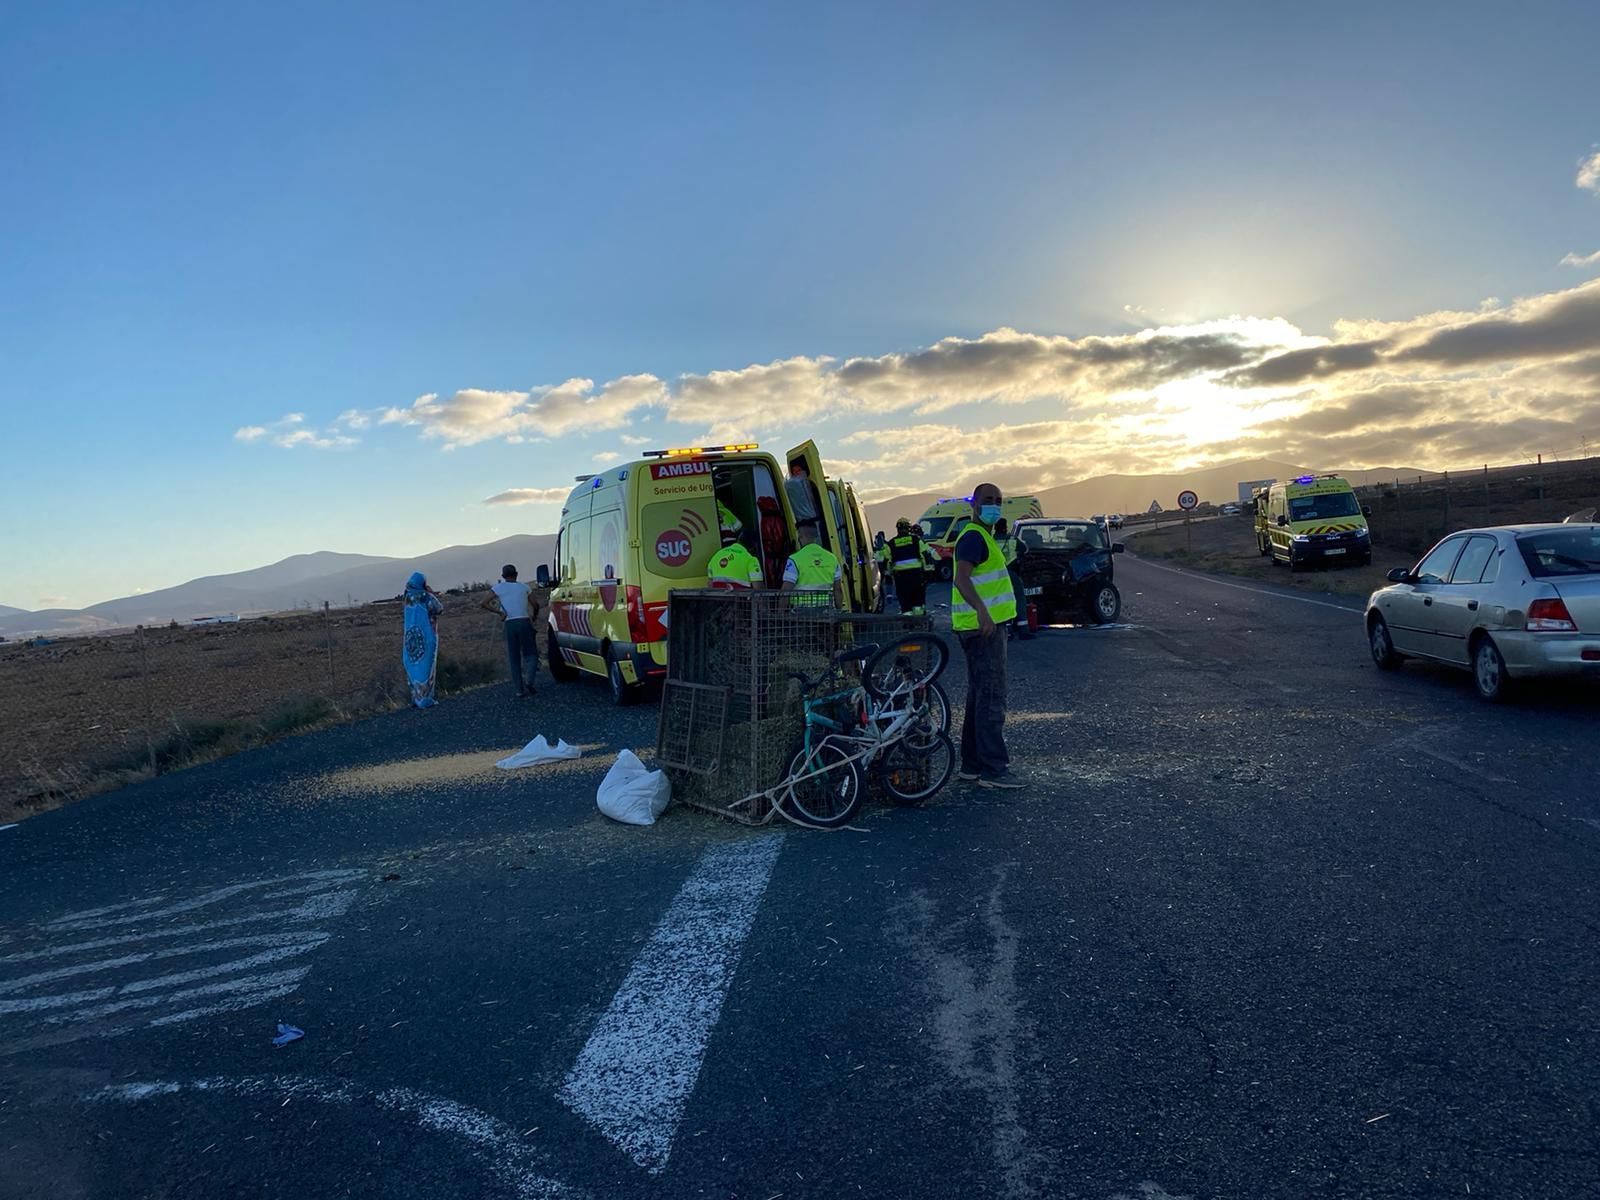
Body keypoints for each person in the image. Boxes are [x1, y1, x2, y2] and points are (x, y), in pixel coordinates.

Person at [952, 483, 1022, 789]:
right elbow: (961, 578)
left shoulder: (983, 537)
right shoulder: (973, 537)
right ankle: (995, 769)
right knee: (992, 697)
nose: (994, 506)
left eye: (998, 500)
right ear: (975, 504)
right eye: (988, 501)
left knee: (979, 696)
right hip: (982, 628)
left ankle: (972, 764)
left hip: (981, 627)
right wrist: (982, 611)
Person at [481, 564, 541, 697]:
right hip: (524, 621)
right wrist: (534, 617)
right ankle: (529, 680)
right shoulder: (524, 587)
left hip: (509, 623)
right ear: (516, 574)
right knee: (531, 654)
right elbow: (535, 605)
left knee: (514, 657)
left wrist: (500, 613)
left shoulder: (498, 588)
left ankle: (519, 690)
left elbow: (483, 603)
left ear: (503, 576)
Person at [401, 571, 443, 709]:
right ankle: (425, 698)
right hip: (426, 636)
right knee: (427, 666)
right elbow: (438, 609)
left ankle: (415, 697)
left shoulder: (407, 597)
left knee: (413, 666)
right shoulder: (425, 597)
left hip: (411, 638)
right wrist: (431, 593)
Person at [781, 523, 843, 606]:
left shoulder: (794, 559)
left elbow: (786, 590)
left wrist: (780, 614)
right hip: (826, 611)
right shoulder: (832, 558)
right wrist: (838, 611)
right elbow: (838, 590)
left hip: (802, 613)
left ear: (801, 536)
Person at [993, 519, 1033, 641]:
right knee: (1019, 599)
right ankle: (1023, 630)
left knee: (1000, 602)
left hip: (994, 577)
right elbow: (1025, 549)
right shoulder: (1011, 539)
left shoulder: (990, 541)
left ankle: (1007, 631)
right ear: (1005, 527)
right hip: (1011, 573)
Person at [888, 516, 937, 615]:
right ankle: (918, 622)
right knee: (918, 601)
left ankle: (908, 622)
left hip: (900, 578)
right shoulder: (916, 540)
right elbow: (926, 555)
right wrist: (929, 571)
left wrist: (890, 575)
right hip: (916, 576)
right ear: (909, 528)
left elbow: (888, 562)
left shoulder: (891, 543)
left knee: (905, 602)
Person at [784, 457, 822, 540]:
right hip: (806, 525)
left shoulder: (810, 488)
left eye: (798, 471)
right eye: (794, 472)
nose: (796, 474)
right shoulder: (794, 485)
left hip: (811, 525)